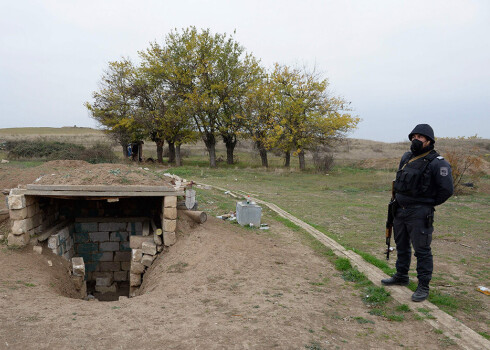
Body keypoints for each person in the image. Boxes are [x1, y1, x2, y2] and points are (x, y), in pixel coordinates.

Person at [381, 124, 454, 302]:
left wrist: (427, 204)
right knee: (402, 246)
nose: (415, 139)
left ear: (429, 140)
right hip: (400, 210)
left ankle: (423, 286)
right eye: (413, 136)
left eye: (420, 137)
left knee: (422, 251)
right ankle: (401, 276)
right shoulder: (407, 157)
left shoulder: (438, 162)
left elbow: (446, 190)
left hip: (420, 214)